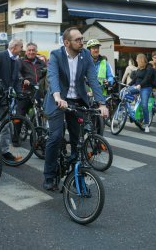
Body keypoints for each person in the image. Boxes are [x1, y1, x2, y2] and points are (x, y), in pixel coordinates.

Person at [43, 27, 108, 191]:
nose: (82, 42)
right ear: (67, 43)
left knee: (77, 139)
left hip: (77, 100)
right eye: (78, 39)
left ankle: (75, 170)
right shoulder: (56, 55)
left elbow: (92, 79)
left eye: (82, 39)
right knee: (56, 136)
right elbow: (53, 77)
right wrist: (58, 96)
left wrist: (102, 103)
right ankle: (49, 176)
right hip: (59, 100)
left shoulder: (85, 55)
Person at [14, 42, 47, 145]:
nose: (31, 52)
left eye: (33, 50)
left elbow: (46, 74)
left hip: (37, 92)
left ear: (36, 51)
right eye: (29, 50)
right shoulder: (21, 61)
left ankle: (40, 138)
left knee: (40, 115)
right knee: (19, 115)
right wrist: (23, 79)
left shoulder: (41, 63)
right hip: (25, 92)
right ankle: (15, 138)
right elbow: (17, 73)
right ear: (26, 51)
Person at [128, 54, 154, 133]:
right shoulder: (139, 69)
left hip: (145, 88)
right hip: (137, 87)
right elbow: (135, 79)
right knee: (124, 94)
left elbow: (146, 79)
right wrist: (127, 86)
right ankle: (129, 113)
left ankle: (146, 125)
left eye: (137, 59)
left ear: (140, 60)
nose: (136, 60)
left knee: (144, 105)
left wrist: (140, 85)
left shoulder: (148, 69)